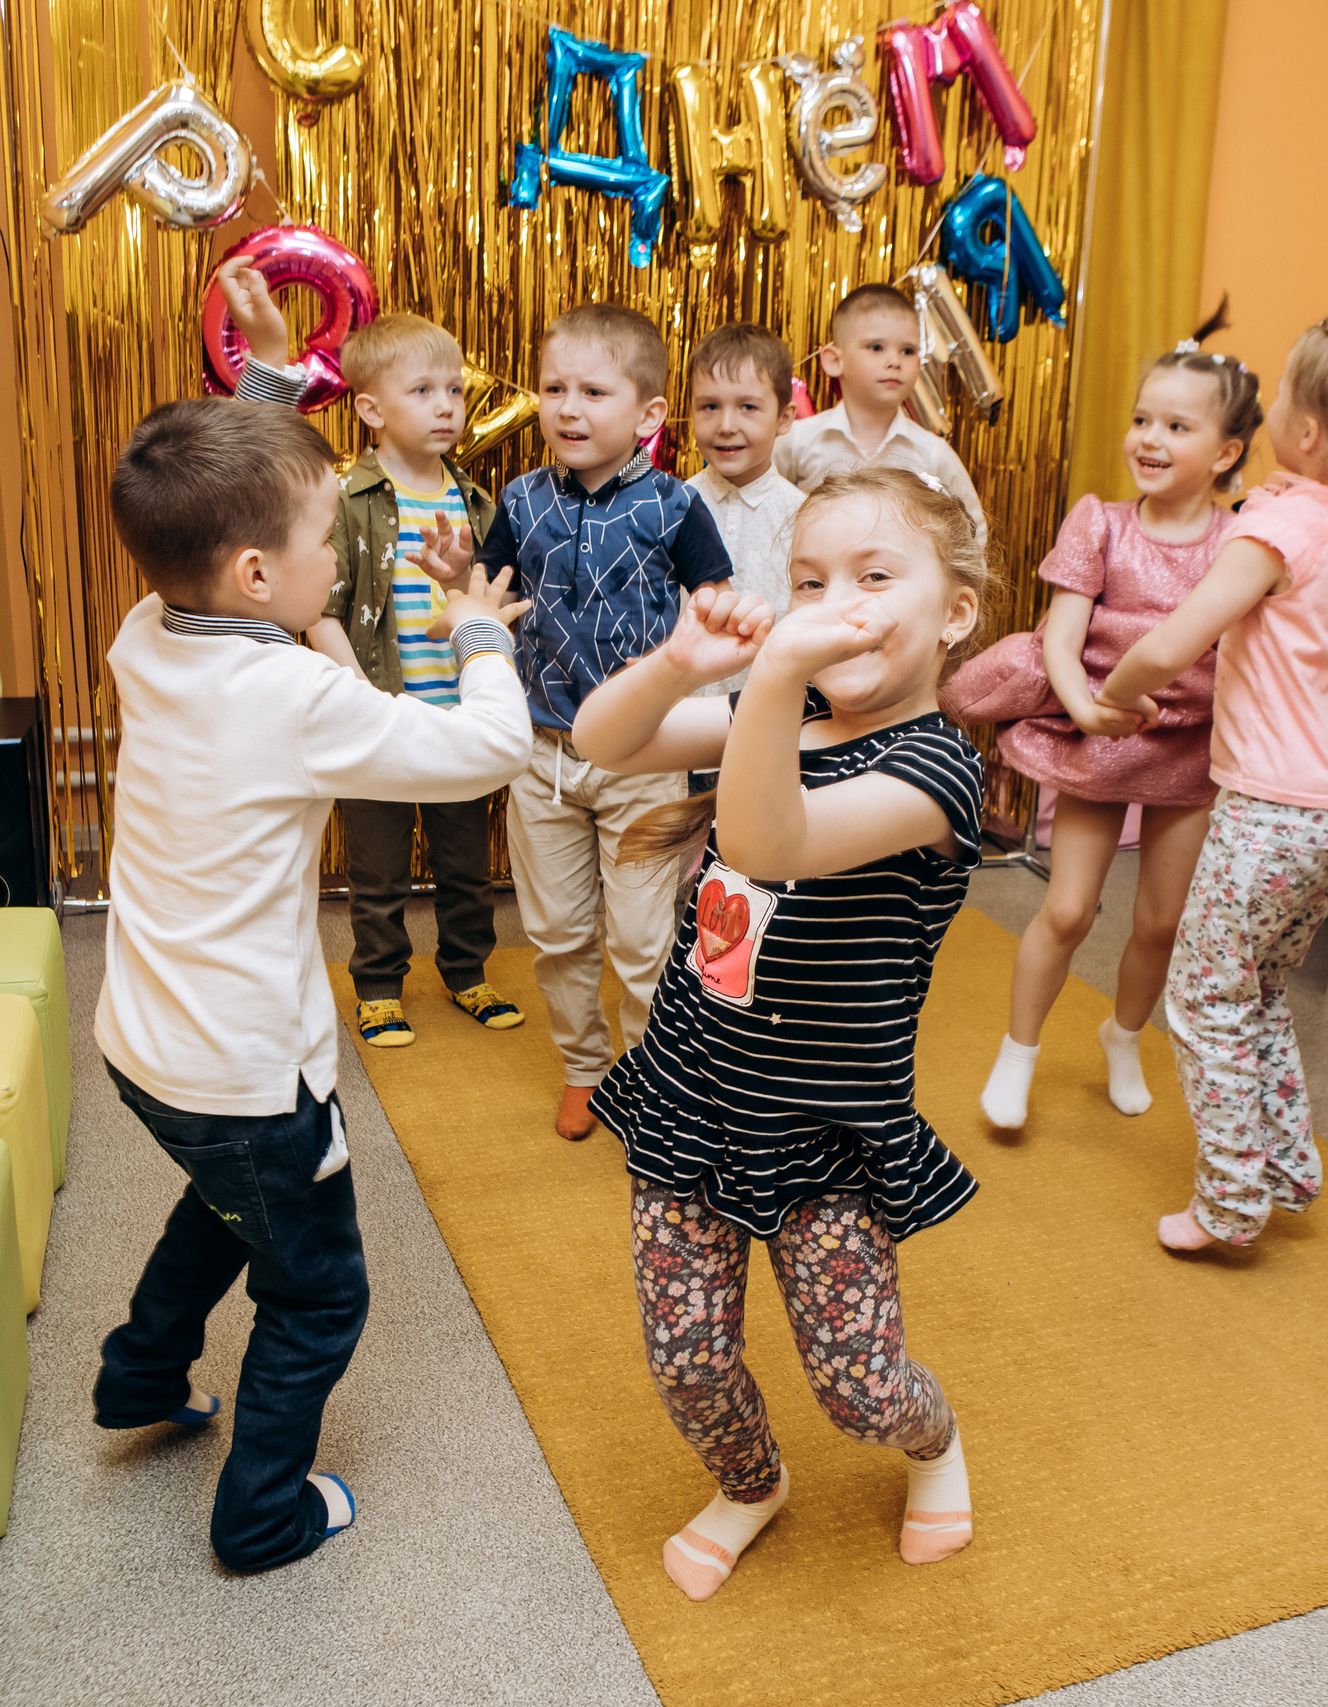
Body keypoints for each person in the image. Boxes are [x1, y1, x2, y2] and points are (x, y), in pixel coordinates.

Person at [89, 263, 533, 1572]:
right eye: (326, 537)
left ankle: (140, 1374)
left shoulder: (146, 630)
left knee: (220, 1204)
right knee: (318, 1285)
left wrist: (270, 382)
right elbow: (484, 750)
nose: (339, 553)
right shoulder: (292, 699)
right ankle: (264, 1510)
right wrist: (476, 628)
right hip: (250, 1073)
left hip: (145, 1048)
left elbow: (207, 501)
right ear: (252, 568)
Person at [568, 467, 992, 1602]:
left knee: (859, 1387)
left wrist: (771, 677)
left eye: (872, 577)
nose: (831, 602)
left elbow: (763, 840)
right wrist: (682, 665)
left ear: (954, 610)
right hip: (689, 1094)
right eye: (808, 581)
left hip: (823, 1130)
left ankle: (934, 1442)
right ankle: (749, 1484)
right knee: (689, 1362)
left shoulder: (938, 768)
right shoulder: (786, 707)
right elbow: (604, 740)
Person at [1097, 314, 1328, 1253]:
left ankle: (1231, 1199)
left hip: (1273, 812)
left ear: (1305, 431)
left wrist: (1120, 695)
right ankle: (1285, 1162)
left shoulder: (1275, 526)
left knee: (1202, 997)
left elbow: (1176, 640)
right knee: (1256, 989)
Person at [424, 304, 735, 1141]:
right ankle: (586, 1069)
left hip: (644, 755)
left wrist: (722, 624)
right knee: (558, 934)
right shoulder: (520, 501)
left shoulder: (674, 507)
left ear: (648, 415)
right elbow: (482, 601)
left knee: (642, 943)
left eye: (593, 391)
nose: (567, 407)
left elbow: (714, 600)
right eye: (553, 387)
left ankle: (652, 1077)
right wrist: (460, 578)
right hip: (541, 758)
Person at [960, 307, 1263, 1128]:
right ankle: (1017, 1055)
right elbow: (1061, 633)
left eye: (1176, 424)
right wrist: (1088, 712)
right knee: (1067, 909)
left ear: (1226, 453)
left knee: (1161, 921)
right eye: (1141, 419)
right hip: (1097, 734)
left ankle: (1123, 1035)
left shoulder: (1241, 541)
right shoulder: (1101, 519)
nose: (1150, 438)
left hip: (1186, 753)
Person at [247, 311, 522, 1051]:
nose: (446, 406)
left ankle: (468, 972)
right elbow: (322, 611)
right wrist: (358, 699)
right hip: (374, 722)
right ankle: (376, 986)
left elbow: (489, 602)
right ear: (369, 408)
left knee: (469, 864)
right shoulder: (346, 502)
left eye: (455, 390)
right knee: (378, 871)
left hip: (458, 723)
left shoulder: (473, 500)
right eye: (423, 389)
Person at [774, 282, 986, 537]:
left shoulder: (932, 453)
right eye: (876, 347)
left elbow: (973, 529)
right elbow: (763, 501)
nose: (894, 361)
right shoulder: (797, 440)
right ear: (834, 361)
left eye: (907, 351)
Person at [684, 322, 805, 705]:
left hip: (773, 716)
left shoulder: (804, 518)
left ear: (784, 418)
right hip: (678, 718)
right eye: (710, 407)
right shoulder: (669, 508)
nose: (726, 426)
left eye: (748, 407)